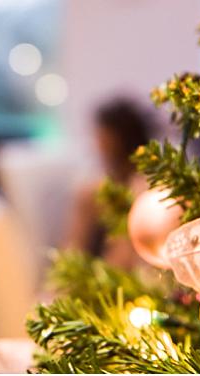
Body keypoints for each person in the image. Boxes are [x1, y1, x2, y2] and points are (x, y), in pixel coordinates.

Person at [62, 97, 151, 270]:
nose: (97, 145)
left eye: (103, 138)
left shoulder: (144, 189)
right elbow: (72, 247)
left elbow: (122, 260)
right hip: (95, 273)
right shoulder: (94, 189)